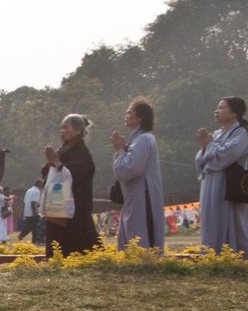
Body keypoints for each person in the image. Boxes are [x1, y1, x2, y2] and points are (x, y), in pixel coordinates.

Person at [195, 96, 248, 263]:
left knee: (236, 224)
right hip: (210, 183)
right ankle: (213, 258)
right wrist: (205, 148)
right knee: (212, 221)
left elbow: (227, 155)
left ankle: (247, 260)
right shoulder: (217, 134)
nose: (217, 111)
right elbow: (201, 159)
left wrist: (209, 147)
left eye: (222, 108)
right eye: (217, 107)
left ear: (234, 112)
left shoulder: (241, 133)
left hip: (228, 185)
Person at [110, 97, 166, 252]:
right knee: (131, 228)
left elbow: (129, 169)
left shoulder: (143, 139)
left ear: (140, 117)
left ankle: (145, 263)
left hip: (143, 196)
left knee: (141, 232)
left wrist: (120, 150)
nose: (126, 115)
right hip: (133, 196)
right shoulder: (137, 139)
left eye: (129, 112)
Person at [42, 113, 101, 257]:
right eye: (61, 127)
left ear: (78, 130)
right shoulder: (63, 150)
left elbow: (74, 177)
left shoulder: (82, 153)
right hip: (57, 209)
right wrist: (51, 162)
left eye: (65, 127)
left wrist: (56, 163)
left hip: (75, 213)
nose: (61, 131)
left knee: (79, 251)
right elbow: (47, 174)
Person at [18, 179, 44, 244]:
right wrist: (35, 213)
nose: (42, 186)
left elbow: (24, 202)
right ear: (39, 184)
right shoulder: (37, 191)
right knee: (32, 227)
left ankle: (33, 241)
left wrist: (23, 211)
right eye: (41, 184)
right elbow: (33, 202)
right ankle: (22, 236)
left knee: (32, 227)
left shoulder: (29, 190)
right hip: (32, 212)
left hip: (27, 211)